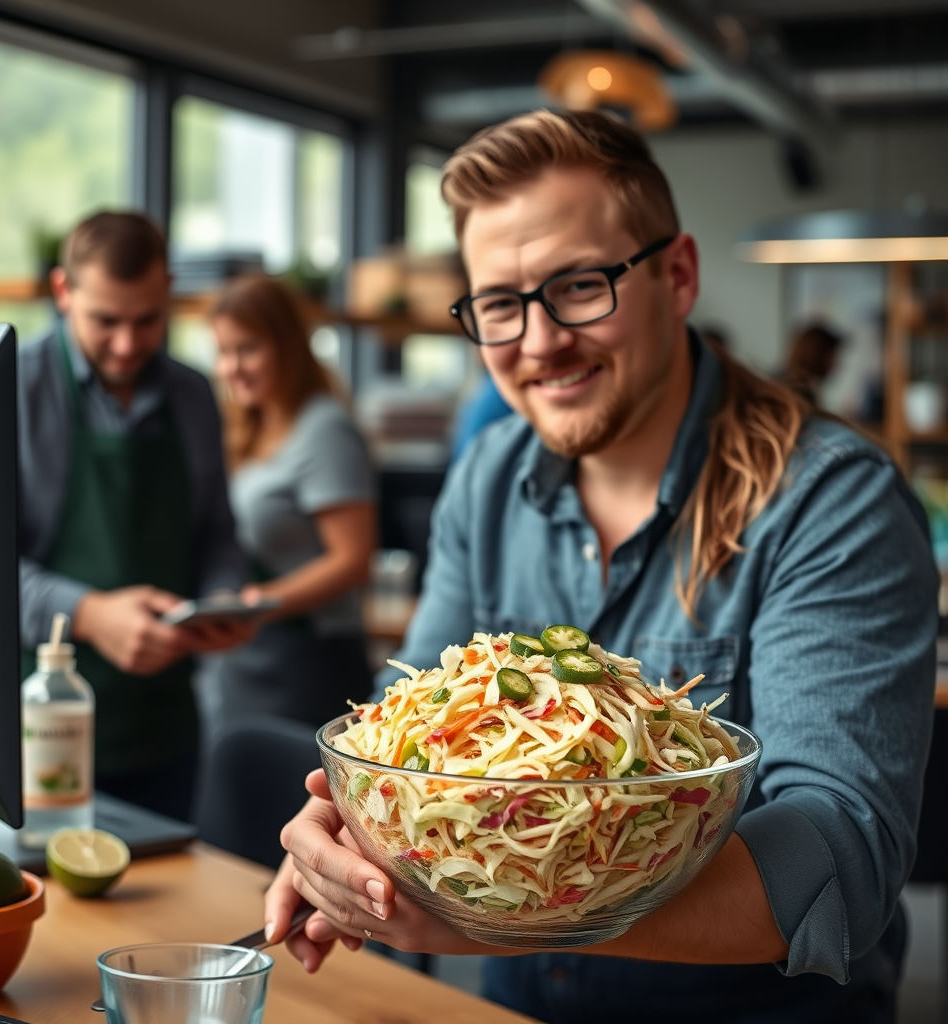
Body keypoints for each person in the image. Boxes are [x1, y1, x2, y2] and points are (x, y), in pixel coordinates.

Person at [261, 111, 937, 1023]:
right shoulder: (488, 477)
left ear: (679, 275)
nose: (539, 343)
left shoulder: (831, 501)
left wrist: (502, 919)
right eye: (499, 303)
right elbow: (401, 745)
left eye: (580, 285)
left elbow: (838, 861)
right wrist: (339, 838)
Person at [18, 210, 255, 821]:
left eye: (147, 321)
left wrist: (222, 597)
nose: (127, 344)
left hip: (166, 723)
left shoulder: (195, 394)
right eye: (105, 321)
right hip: (37, 726)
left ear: (169, 293)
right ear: (63, 292)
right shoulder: (11, 388)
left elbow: (216, 535)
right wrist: (89, 615)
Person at [207, 274, 376, 729]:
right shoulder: (247, 429)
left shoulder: (325, 432)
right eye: (223, 352)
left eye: (247, 348)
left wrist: (260, 601)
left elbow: (353, 560)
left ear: (287, 345)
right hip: (249, 660)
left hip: (310, 663)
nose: (231, 367)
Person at [780, 321, 843, 405]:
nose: (835, 365)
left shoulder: (783, 382)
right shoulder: (797, 394)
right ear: (817, 356)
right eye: (832, 357)